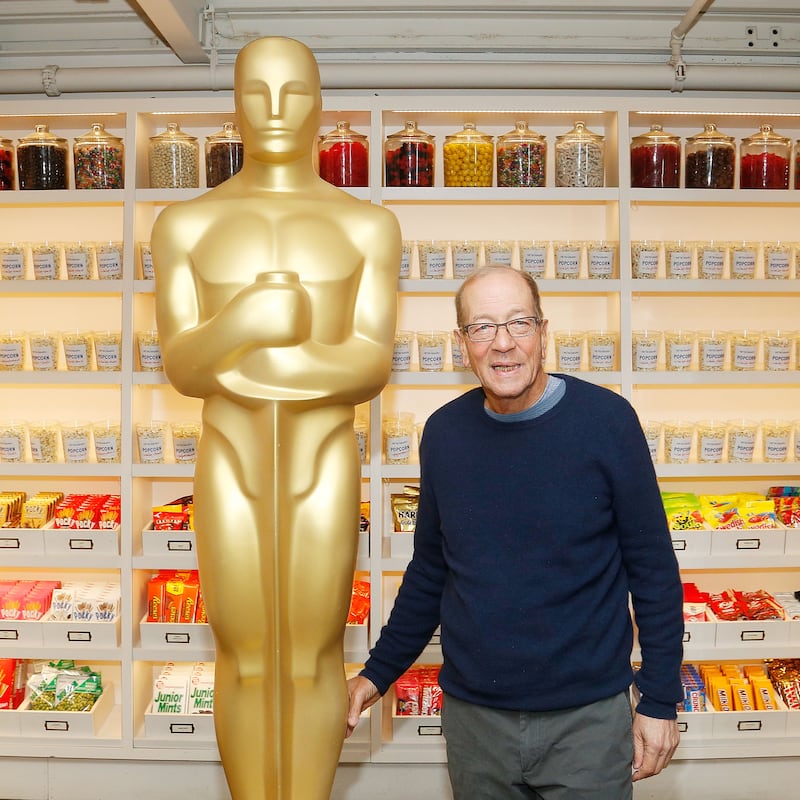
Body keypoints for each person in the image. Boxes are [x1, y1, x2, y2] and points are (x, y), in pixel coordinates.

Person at [151, 37, 401, 800]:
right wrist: (249, 322)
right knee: (244, 653)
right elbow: (185, 366)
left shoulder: (366, 226)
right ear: (234, 100)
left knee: (315, 652)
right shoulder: (184, 226)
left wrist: (252, 361)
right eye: (256, 92)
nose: (275, 110)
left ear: (321, 103)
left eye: (294, 92)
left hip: (323, 456)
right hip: (229, 456)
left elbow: (369, 364)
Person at [346, 264, 684, 798]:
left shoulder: (607, 422)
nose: (502, 344)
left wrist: (661, 698)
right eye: (482, 327)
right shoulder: (444, 434)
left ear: (544, 334)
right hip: (475, 722)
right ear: (462, 346)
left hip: (588, 721)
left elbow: (654, 570)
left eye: (518, 323)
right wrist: (376, 674)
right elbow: (432, 569)